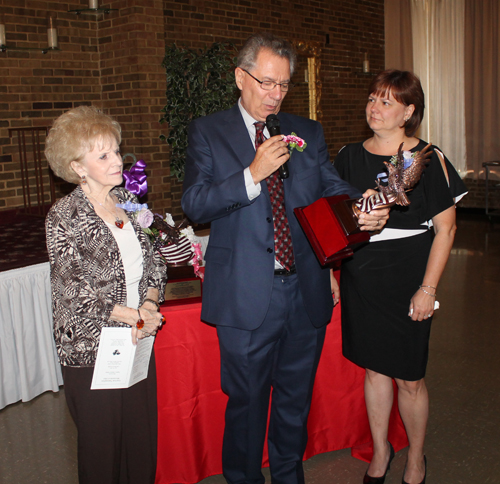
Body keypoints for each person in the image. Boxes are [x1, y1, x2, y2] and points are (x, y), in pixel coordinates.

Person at [181, 32, 389, 484]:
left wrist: (364, 206)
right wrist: (251, 175)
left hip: (305, 289)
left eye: (284, 85)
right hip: (245, 295)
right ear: (241, 77)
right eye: (266, 82)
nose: (275, 95)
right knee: (247, 404)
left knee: (295, 402)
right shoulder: (208, 132)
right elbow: (195, 205)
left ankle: (289, 475)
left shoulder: (304, 131)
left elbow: (331, 187)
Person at [335, 70, 467, 484]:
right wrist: (333, 272)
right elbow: (334, 221)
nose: (375, 108)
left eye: (387, 102)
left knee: (410, 377)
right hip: (362, 275)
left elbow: (446, 229)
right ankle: (380, 451)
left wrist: (428, 289)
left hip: (409, 275)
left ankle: (416, 458)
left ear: (409, 112)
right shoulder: (348, 156)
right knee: (374, 371)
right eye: (373, 99)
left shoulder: (427, 158)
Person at [45, 106, 167, 484]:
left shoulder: (129, 200)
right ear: (78, 166)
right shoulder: (63, 216)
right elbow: (73, 292)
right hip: (92, 349)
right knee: (102, 450)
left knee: (140, 441)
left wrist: (148, 303)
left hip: (138, 337)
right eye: (104, 155)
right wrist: (133, 317)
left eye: (116, 150)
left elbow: (155, 261)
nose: (118, 160)